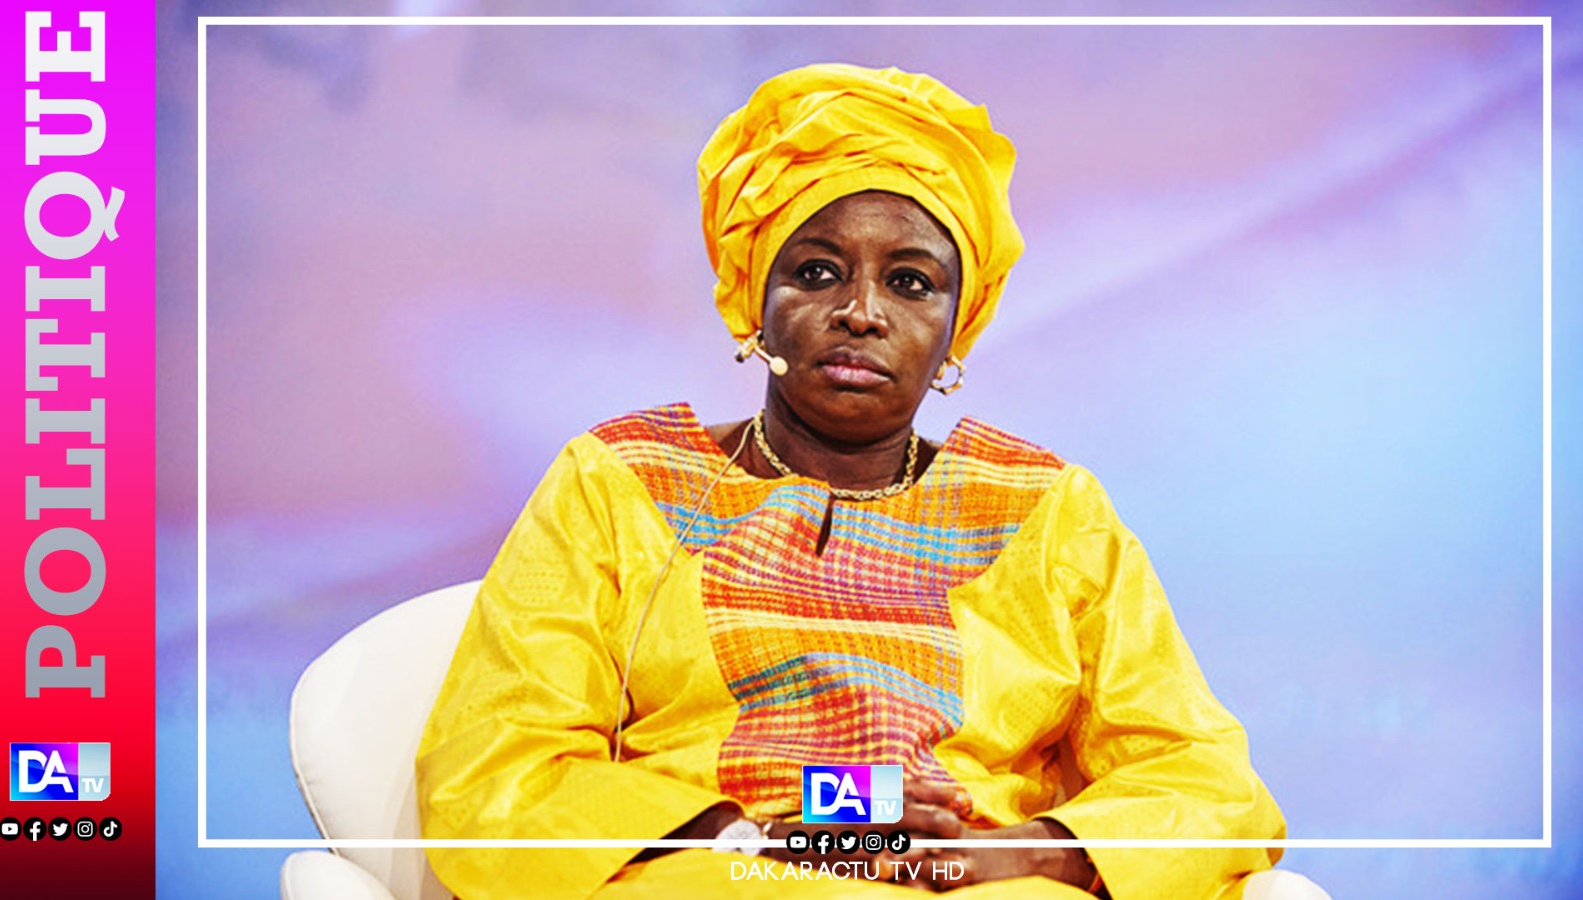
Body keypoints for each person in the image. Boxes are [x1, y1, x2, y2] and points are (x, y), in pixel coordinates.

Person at [416, 63, 1290, 899]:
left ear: (955, 329)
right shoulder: (621, 481)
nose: (861, 312)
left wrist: (1026, 854)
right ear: (757, 303)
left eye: (910, 283)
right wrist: (760, 835)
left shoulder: (1050, 514)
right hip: (717, 868)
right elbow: (495, 763)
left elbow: (1201, 774)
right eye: (817, 272)